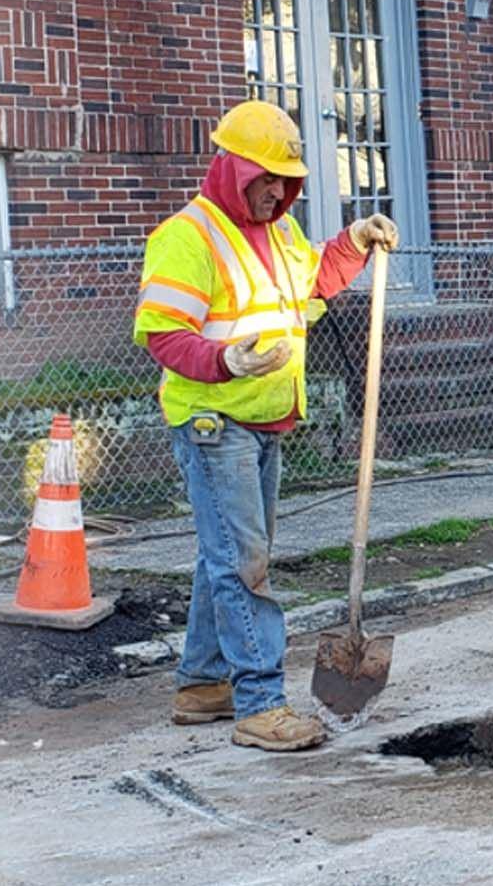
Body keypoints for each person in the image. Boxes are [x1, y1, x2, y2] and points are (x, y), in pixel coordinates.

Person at [133, 100, 399, 752]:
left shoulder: (278, 234)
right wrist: (226, 359)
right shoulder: (187, 237)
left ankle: (202, 686)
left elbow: (314, 279)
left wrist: (355, 242)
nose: (277, 192)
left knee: (224, 556)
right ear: (234, 168)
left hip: (263, 419)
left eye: (287, 181)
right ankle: (259, 702)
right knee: (243, 562)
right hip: (213, 420)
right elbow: (164, 335)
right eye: (267, 178)